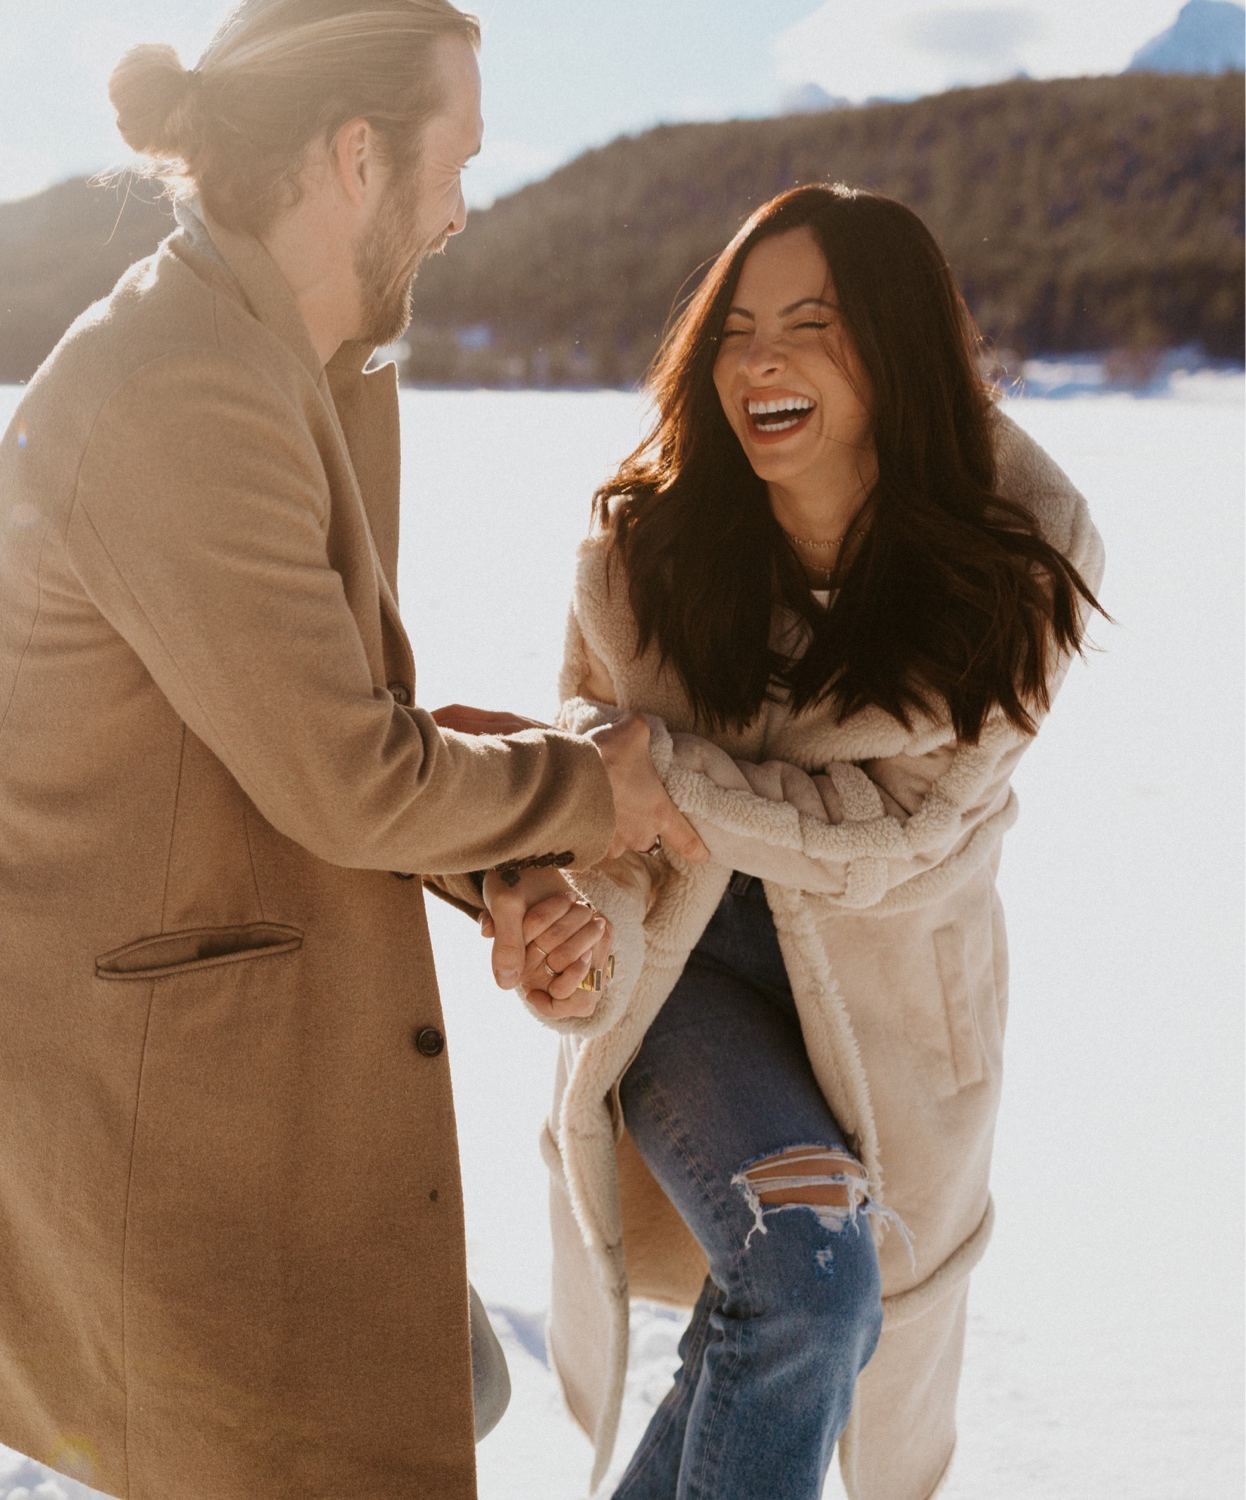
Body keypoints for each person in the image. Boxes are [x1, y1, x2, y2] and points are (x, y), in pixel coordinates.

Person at [0, 5, 705, 1499]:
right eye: (458, 159)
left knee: (436, 1392)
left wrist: (504, 868)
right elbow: (347, 777)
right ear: (357, 155)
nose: (464, 206)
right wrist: (594, 794)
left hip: (214, 1065)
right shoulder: (182, 387)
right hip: (131, 1098)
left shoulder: (296, 359)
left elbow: (318, 730)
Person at [485, 185, 1104, 1498]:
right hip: (691, 989)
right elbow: (602, 822)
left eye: (809, 323)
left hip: (895, 1015)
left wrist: (672, 778)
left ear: (899, 350)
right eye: (736, 328)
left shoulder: (1016, 569)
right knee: (809, 1279)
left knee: (770, 1314)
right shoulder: (640, 566)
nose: (759, 360)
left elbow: (902, 830)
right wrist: (567, 949)